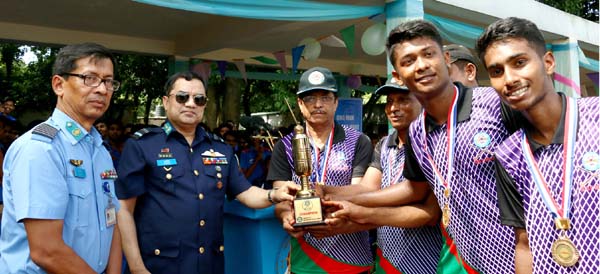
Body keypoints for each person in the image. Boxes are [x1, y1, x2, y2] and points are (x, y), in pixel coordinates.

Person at [115, 71, 299, 274]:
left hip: (209, 265)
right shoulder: (143, 145)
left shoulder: (220, 148)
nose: (191, 104)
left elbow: (245, 193)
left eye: (199, 99)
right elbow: (123, 210)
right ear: (166, 102)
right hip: (159, 266)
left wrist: (275, 194)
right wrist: (137, 268)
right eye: (182, 97)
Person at [477, 17, 600, 273]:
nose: (509, 79)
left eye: (519, 63)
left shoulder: (596, 117)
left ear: (548, 62)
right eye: (497, 72)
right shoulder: (508, 156)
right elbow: (524, 244)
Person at [0, 42, 122, 273]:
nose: (102, 89)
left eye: (108, 81)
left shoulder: (100, 151)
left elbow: (112, 222)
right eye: (90, 78)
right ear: (59, 85)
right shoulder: (40, 149)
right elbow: (46, 250)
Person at [326, 80, 443, 273]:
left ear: (423, 101)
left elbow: (429, 215)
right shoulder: (385, 144)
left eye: (403, 100)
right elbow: (367, 189)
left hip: (424, 264)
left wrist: (353, 212)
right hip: (386, 261)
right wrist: (326, 191)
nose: (394, 108)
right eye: (390, 101)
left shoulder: (435, 144)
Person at [267, 67, 374, 273]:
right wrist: (286, 218)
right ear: (300, 104)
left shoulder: (359, 141)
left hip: (351, 259)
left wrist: (325, 193)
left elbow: (362, 193)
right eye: (309, 98)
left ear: (336, 103)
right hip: (305, 259)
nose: (317, 104)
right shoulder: (285, 146)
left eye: (325, 97)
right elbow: (282, 200)